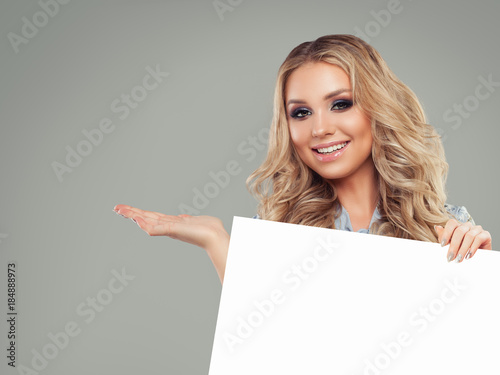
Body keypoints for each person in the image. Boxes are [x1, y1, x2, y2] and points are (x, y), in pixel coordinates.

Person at [113, 34, 492, 285]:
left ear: (378, 109)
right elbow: (259, 340)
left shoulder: (447, 228)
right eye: (301, 113)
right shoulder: (280, 226)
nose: (319, 129)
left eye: (340, 104)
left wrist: (483, 276)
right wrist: (215, 240)